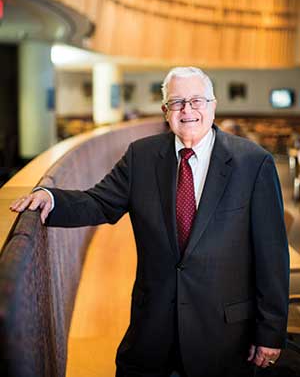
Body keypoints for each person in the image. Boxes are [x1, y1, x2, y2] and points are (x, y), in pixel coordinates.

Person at [10, 67, 289, 377]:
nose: (188, 110)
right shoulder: (140, 157)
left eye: (197, 100)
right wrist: (53, 199)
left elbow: (272, 254)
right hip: (152, 329)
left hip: (225, 335)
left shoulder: (253, 162)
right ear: (165, 111)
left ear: (213, 105)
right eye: (177, 102)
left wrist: (270, 332)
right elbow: (99, 202)